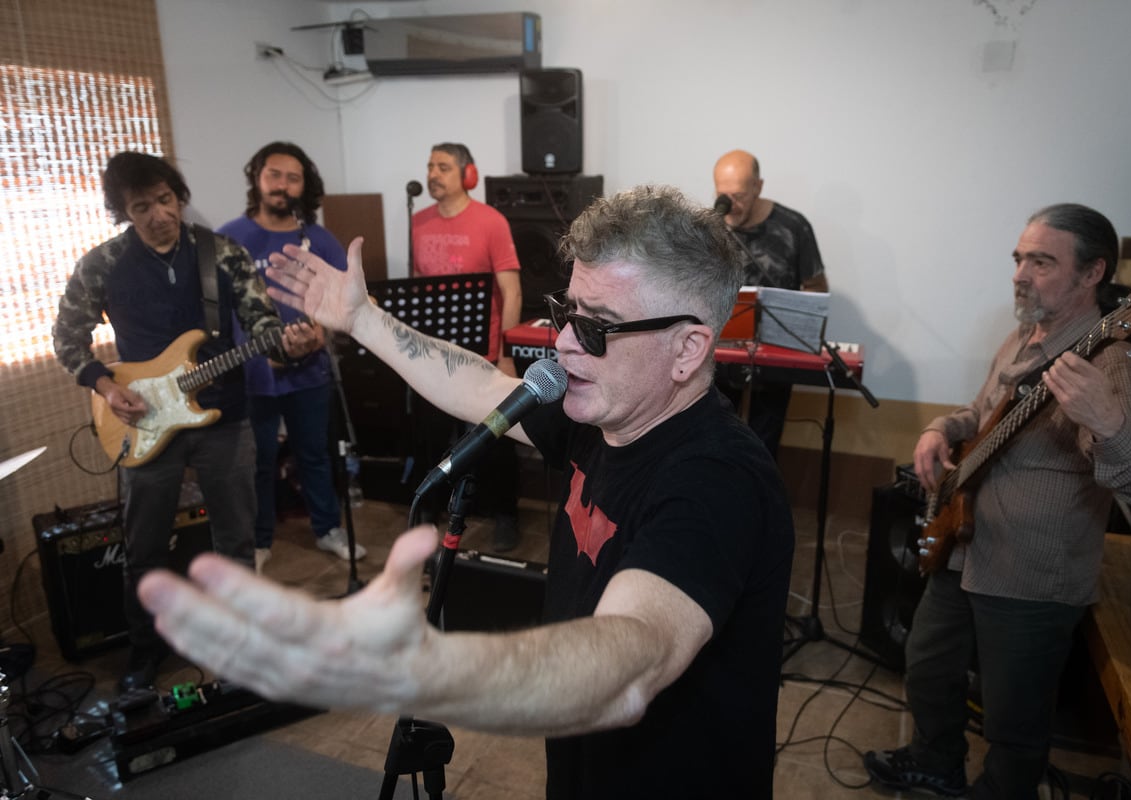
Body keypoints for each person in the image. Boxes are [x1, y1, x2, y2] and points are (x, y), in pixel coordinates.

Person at [139, 185, 796, 799]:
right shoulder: (604, 409)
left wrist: (420, 670)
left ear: (687, 350)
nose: (563, 345)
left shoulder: (718, 479)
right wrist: (362, 321)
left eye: (597, 327)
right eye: (565, 313)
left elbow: (632, 659)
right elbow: (479, 384)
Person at [862, 204, 1131, 799]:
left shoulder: (1111, 361)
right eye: (1019, 258)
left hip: (1032, 576)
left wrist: (1108, 423)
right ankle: (937, 762)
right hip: (966, 545)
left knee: (1014, 718)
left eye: (1042, 261)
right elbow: (980, 416)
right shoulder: (1022, 335)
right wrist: (938, 430)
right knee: (927, 665)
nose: (1021, 273)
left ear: (1092, 273)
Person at [52, 151, 314, 694]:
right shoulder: (101, 264)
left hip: (225, 418)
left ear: (179, 195)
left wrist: (290, 345)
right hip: (142, 424)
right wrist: (106, 386)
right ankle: (145, 652)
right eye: (141, 206)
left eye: (165, 200)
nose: (157, 215)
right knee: (144, 547)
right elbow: (66, 337)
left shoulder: (222, 253)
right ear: (124, 211)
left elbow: (262, 323)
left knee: (236, 541)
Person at [218, 141, 365, 573]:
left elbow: (348, 301)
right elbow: (218, 313)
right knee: (258, 460)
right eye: (274, 174)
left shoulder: (318, 240)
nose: (282, 185)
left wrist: (318, 337)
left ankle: (327, 529)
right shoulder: (229, 238)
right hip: (253, 376)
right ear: (258, 179)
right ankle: (259, 540)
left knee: (315, 454)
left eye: (293, 177)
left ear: (305, 186)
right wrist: (265, 353)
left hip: (311, 372)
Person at [412, 142, 524, 551]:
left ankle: (505, 513)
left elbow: (511, 292)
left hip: (482, 355)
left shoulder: (491, 222)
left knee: (494, 438)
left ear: (468, 175)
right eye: (430, 166)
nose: (433, 174)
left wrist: (506, 354)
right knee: (431, 434)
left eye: (443, 166)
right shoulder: (418, 222)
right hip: (431, 356)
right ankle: (429, 510)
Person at [712, 149, 828, 459]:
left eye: (738, 196)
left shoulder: (793, 227)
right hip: (719, 353)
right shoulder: (711, 226)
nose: (730, 205)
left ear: (758, 187)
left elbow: (816, 288)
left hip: (774, 356)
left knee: (764, 442)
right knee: (714, 434)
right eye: (723, 195)